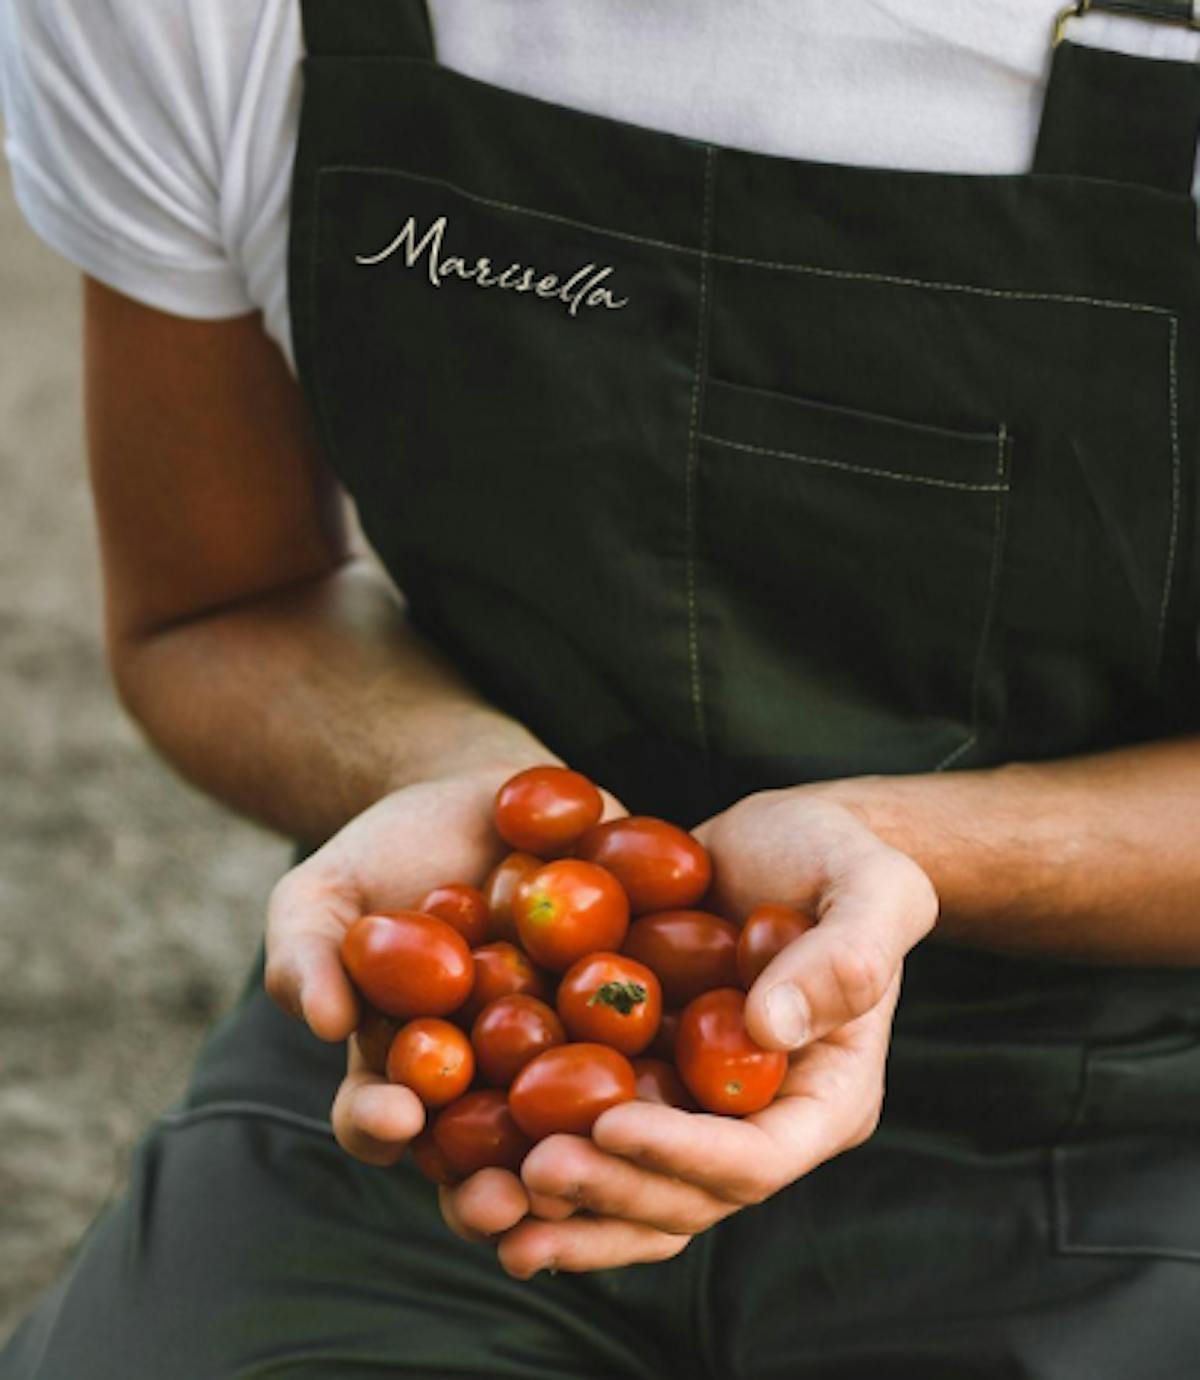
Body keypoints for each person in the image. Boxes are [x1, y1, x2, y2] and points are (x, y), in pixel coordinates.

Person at [3, 0, 1200, 1374]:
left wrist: (920, 856)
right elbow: (214, 607)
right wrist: (454, 783)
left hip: (1141, 1094)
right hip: (455, 1078)